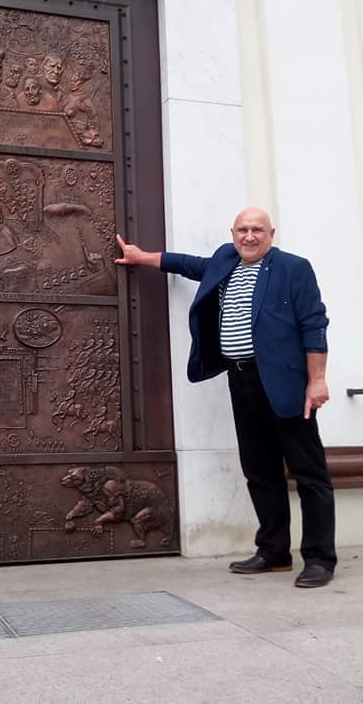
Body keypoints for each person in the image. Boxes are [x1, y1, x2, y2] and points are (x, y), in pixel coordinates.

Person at [115, 207, 336, 588]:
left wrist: (317, 381)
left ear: (271, 233)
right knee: (259, 471)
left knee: (309, 473)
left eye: (257, 230)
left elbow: (314, 324)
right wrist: (141, 257)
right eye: (243, 230)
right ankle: (274, 551)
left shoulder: (293, 268)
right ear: (233, 233)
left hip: (286, 385)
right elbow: (188, 264)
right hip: (242, 382)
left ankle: (319, 558)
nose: (249, 236)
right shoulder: (225, 260)